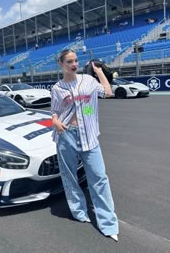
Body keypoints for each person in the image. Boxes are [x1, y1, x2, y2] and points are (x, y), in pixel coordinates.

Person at [51, 48, 119, 242]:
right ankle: (79, 212)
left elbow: (107, 93)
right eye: (69, 62)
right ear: (61, 64)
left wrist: (98, 73)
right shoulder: (57, 88)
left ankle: (108, 223)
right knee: (70, 176)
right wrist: (54, 122)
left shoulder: (87, 81)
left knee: (99, 177)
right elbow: (54, 111)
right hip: (66, 135)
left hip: (89, 135)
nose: (74, 65)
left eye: (76, 61)